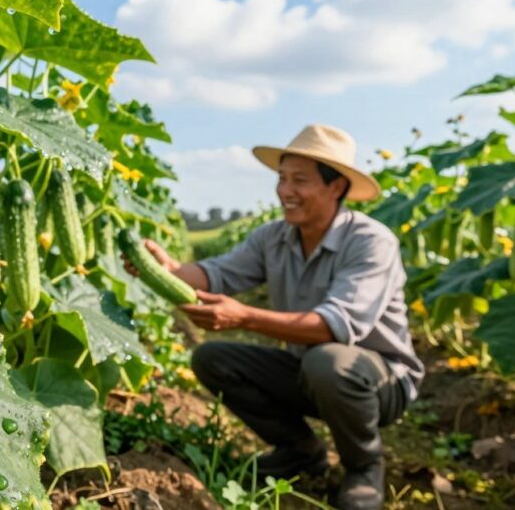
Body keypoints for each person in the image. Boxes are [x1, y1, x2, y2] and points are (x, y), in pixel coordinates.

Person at [124, 125, 424, 510]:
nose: (285, 190)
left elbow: (334, 326)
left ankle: (364, 466)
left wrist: (243, 317)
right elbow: (217, 274)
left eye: (300, 180)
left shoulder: (370, 242)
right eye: (282, 178)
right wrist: (165, 269)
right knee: (212, 358)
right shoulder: (273, 237)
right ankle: (301, 451)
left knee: (328, 361)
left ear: (336, 187)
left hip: (380, 381)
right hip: (310, 371)